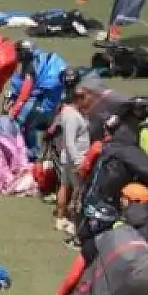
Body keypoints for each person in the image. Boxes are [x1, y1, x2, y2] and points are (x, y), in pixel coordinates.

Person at [50, 74, 90, 235]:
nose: (88, 101)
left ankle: (60, 218)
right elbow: (70, 141)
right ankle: (72, 221)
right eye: (86, 98)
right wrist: (79, 161)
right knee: (78, 190)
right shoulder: (73, 116)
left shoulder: (68, 112)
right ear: (78, 99)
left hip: (68, 157)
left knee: (64, 186)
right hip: (74, 158)